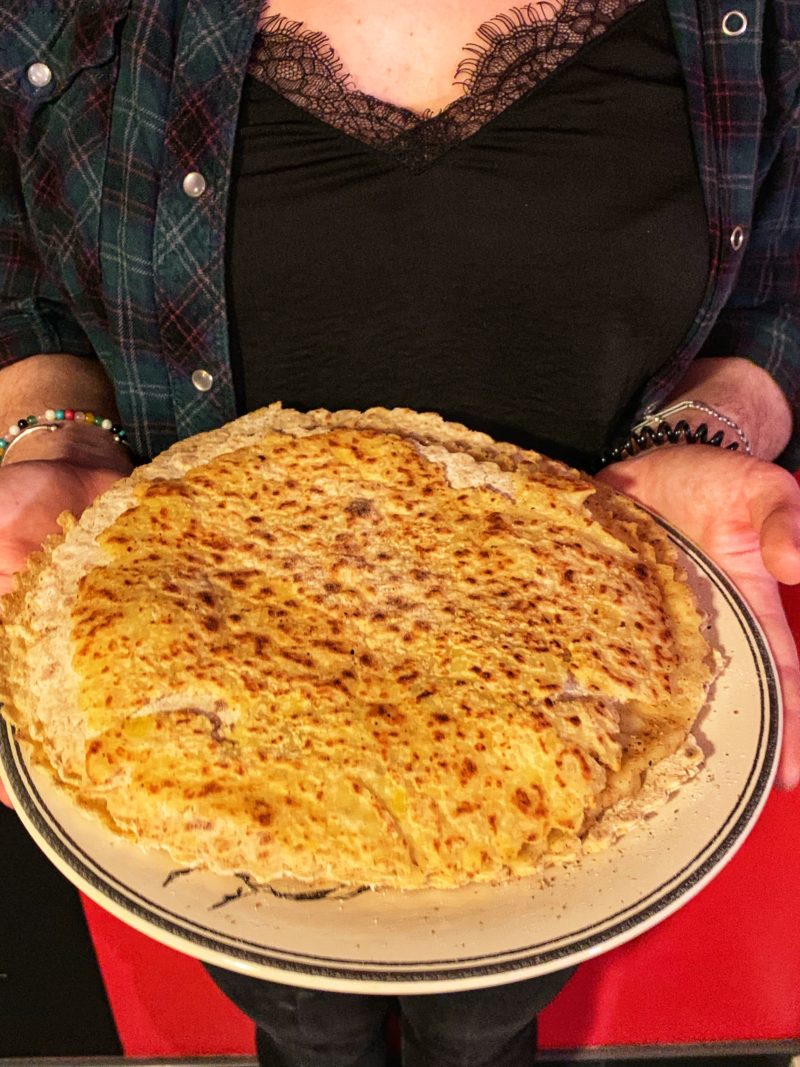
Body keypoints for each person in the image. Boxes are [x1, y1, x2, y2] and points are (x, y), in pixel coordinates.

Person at [1, 0, 798, 1064]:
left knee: (486, 1012)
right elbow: (22, 275)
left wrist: (713, 422)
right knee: (295, 1011)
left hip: (567, 699)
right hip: (195, 697)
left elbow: (777, 284)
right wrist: (50, 441)